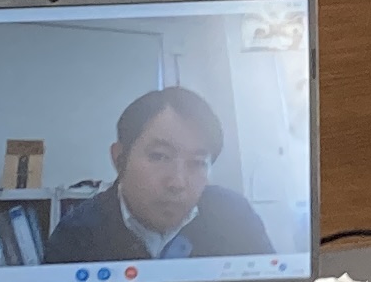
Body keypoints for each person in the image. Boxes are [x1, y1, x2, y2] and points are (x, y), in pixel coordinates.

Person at [49, 83, 274, 263]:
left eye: (196, 163)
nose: (177, 182)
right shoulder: (76, 235)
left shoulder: (236, 217)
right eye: (159, 156)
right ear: (119, 159)